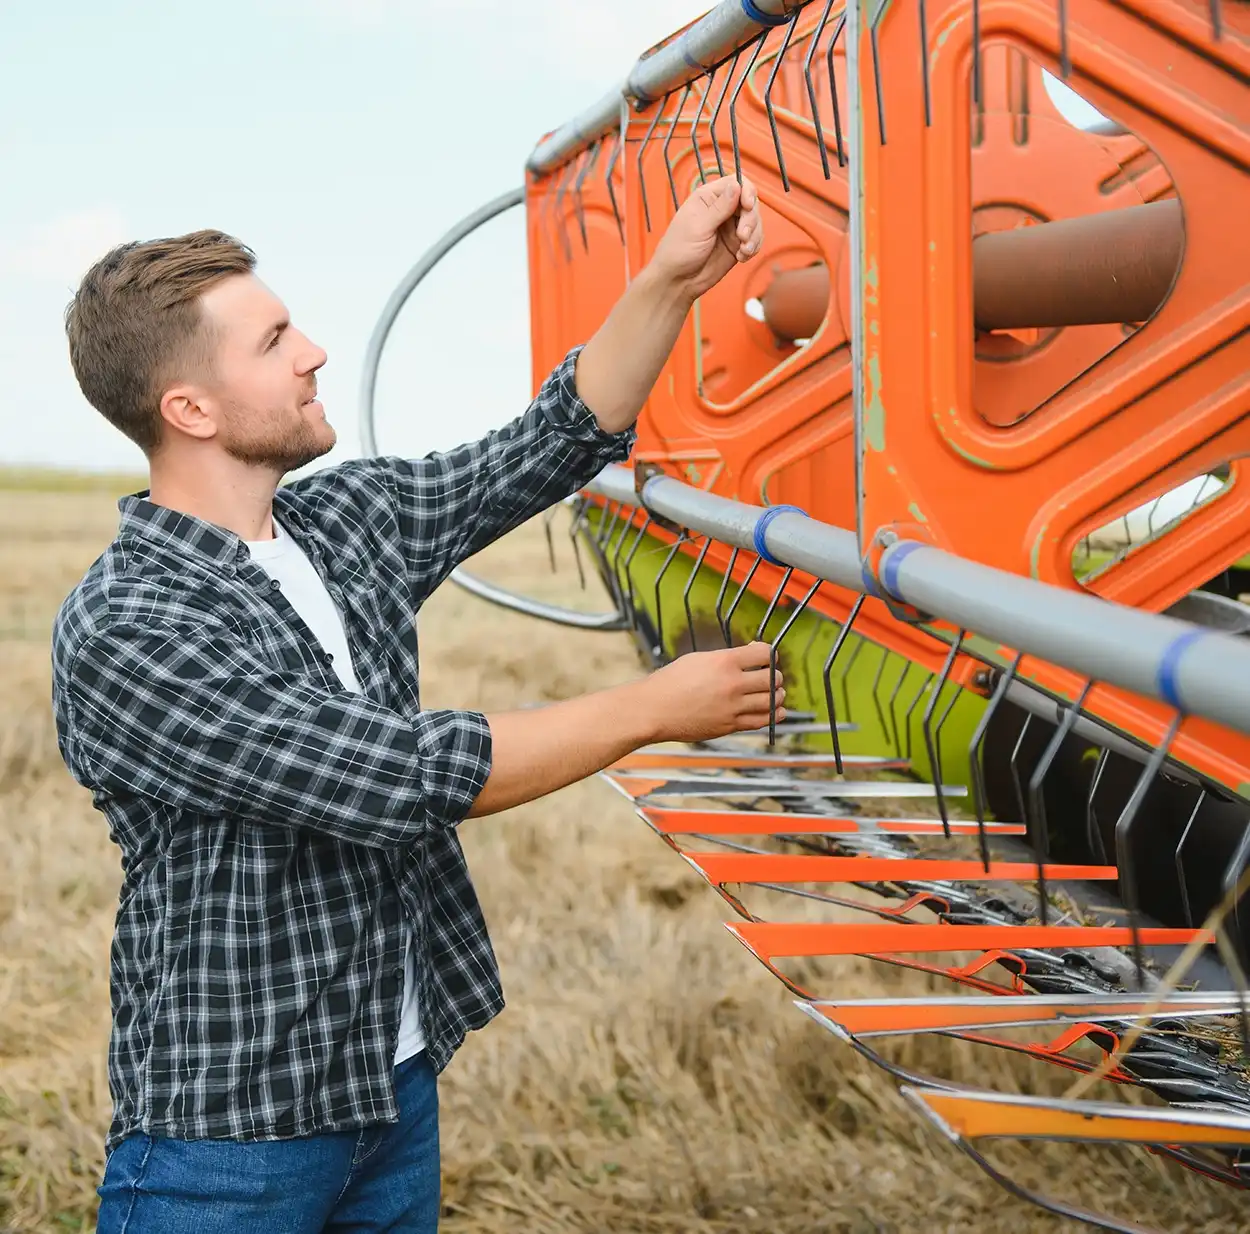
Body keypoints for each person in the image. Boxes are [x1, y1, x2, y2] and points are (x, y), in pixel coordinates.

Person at [50, 173, 782, 1233]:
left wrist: (671, 280)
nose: (312, 351)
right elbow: (398, 774)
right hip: (232, 1138)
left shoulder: (346, 520)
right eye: (273, 340)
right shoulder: (129, 626)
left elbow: (551, 441)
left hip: (389, 1085)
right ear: (190, 409)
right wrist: (651, 708)